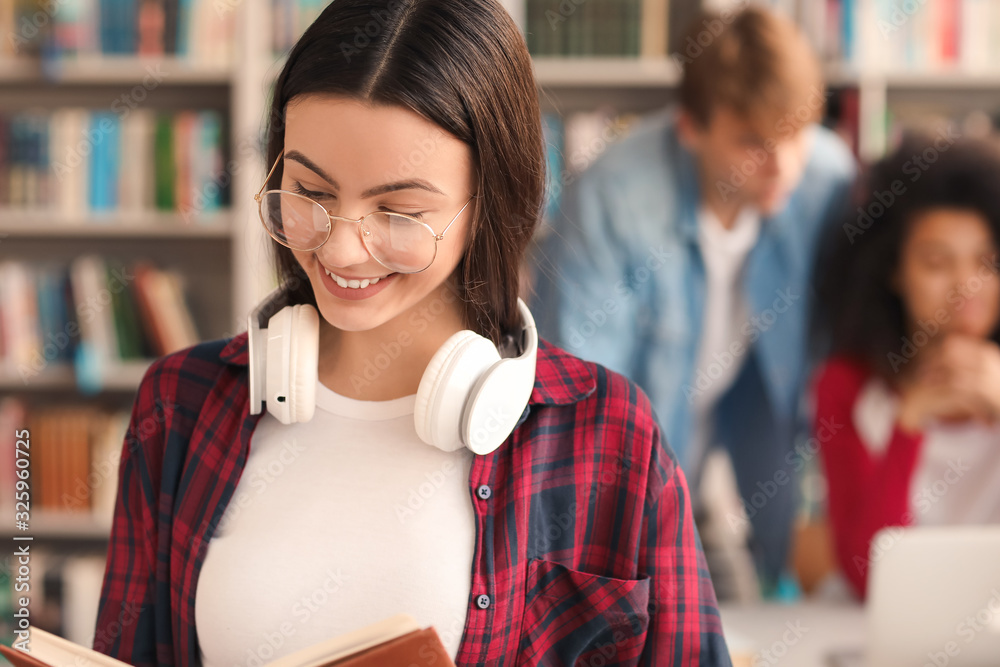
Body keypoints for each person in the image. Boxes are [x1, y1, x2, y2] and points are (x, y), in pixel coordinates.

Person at [91, 1, 732, 665]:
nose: (341, 252)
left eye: (397, 210)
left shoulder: (608, 433)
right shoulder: (179, 406)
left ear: (489, 202)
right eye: (310, 191)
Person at [531, 5, 856, 596]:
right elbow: (582, 398)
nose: (781, 166)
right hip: (633, 454)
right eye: (753, 143)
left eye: (795, 135)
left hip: (750, 441)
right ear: (691, 128)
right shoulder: (617, 196)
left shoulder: (827, 176)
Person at [812, 134, 1000, 599]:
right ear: (892, 270)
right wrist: (908, 423)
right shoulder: (846, 387)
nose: (965, 286)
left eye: (986, 262)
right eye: (937, 263)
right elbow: (866, 576)